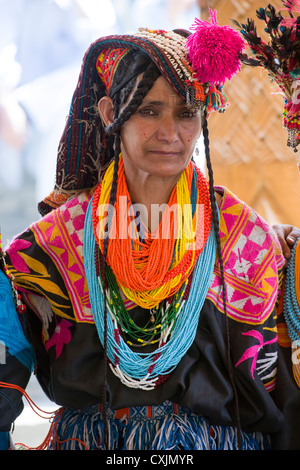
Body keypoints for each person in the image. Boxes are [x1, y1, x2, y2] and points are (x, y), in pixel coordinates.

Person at [0, 10, 299, 451]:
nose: (169, 132)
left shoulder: (245, 238)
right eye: (148, 110)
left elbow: (285, 402)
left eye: (186, 113)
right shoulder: (50, 247)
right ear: (109, 113)